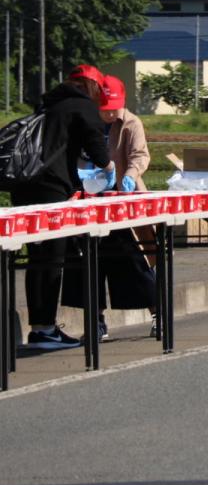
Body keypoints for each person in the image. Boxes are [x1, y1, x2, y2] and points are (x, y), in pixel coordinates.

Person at [14, 65, 115, 350]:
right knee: (51, 259)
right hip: (50, 189)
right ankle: (44, 331)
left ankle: (40, 327)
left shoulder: (50, 103)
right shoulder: (82, 106)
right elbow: (97, 149)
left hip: (26, 187)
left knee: (38, 259)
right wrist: (109, 168)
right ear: (92, 86)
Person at [62, 75, 156, 340]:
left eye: (114, 108)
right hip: (90, 201)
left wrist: (130, 174)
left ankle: (157, 312)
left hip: (123, 201)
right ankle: (97, 321)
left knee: (136, 261)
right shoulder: (86, 122)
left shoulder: (130, 123)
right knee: (89, 264)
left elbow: (140, 155)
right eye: (105, 108)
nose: (110, 113)